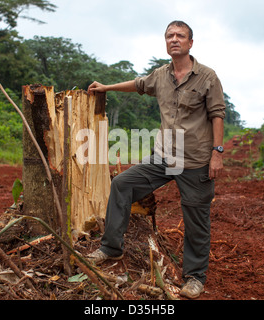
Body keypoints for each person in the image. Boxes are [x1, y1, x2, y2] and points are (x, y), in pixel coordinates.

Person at [87, 20, 226, 299]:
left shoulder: (208, 77)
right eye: (170, 36)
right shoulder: (160, 75)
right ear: (166, 42)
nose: (174, 39)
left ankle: (195, 278)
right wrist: (106, 88)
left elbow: (217, 115)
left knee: (196, 219)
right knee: (123, 184)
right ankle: (110, 248)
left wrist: (217, 154)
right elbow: (137, 84)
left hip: (196, 160)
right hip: (164, 157)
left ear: (190, 43)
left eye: (180, 36)